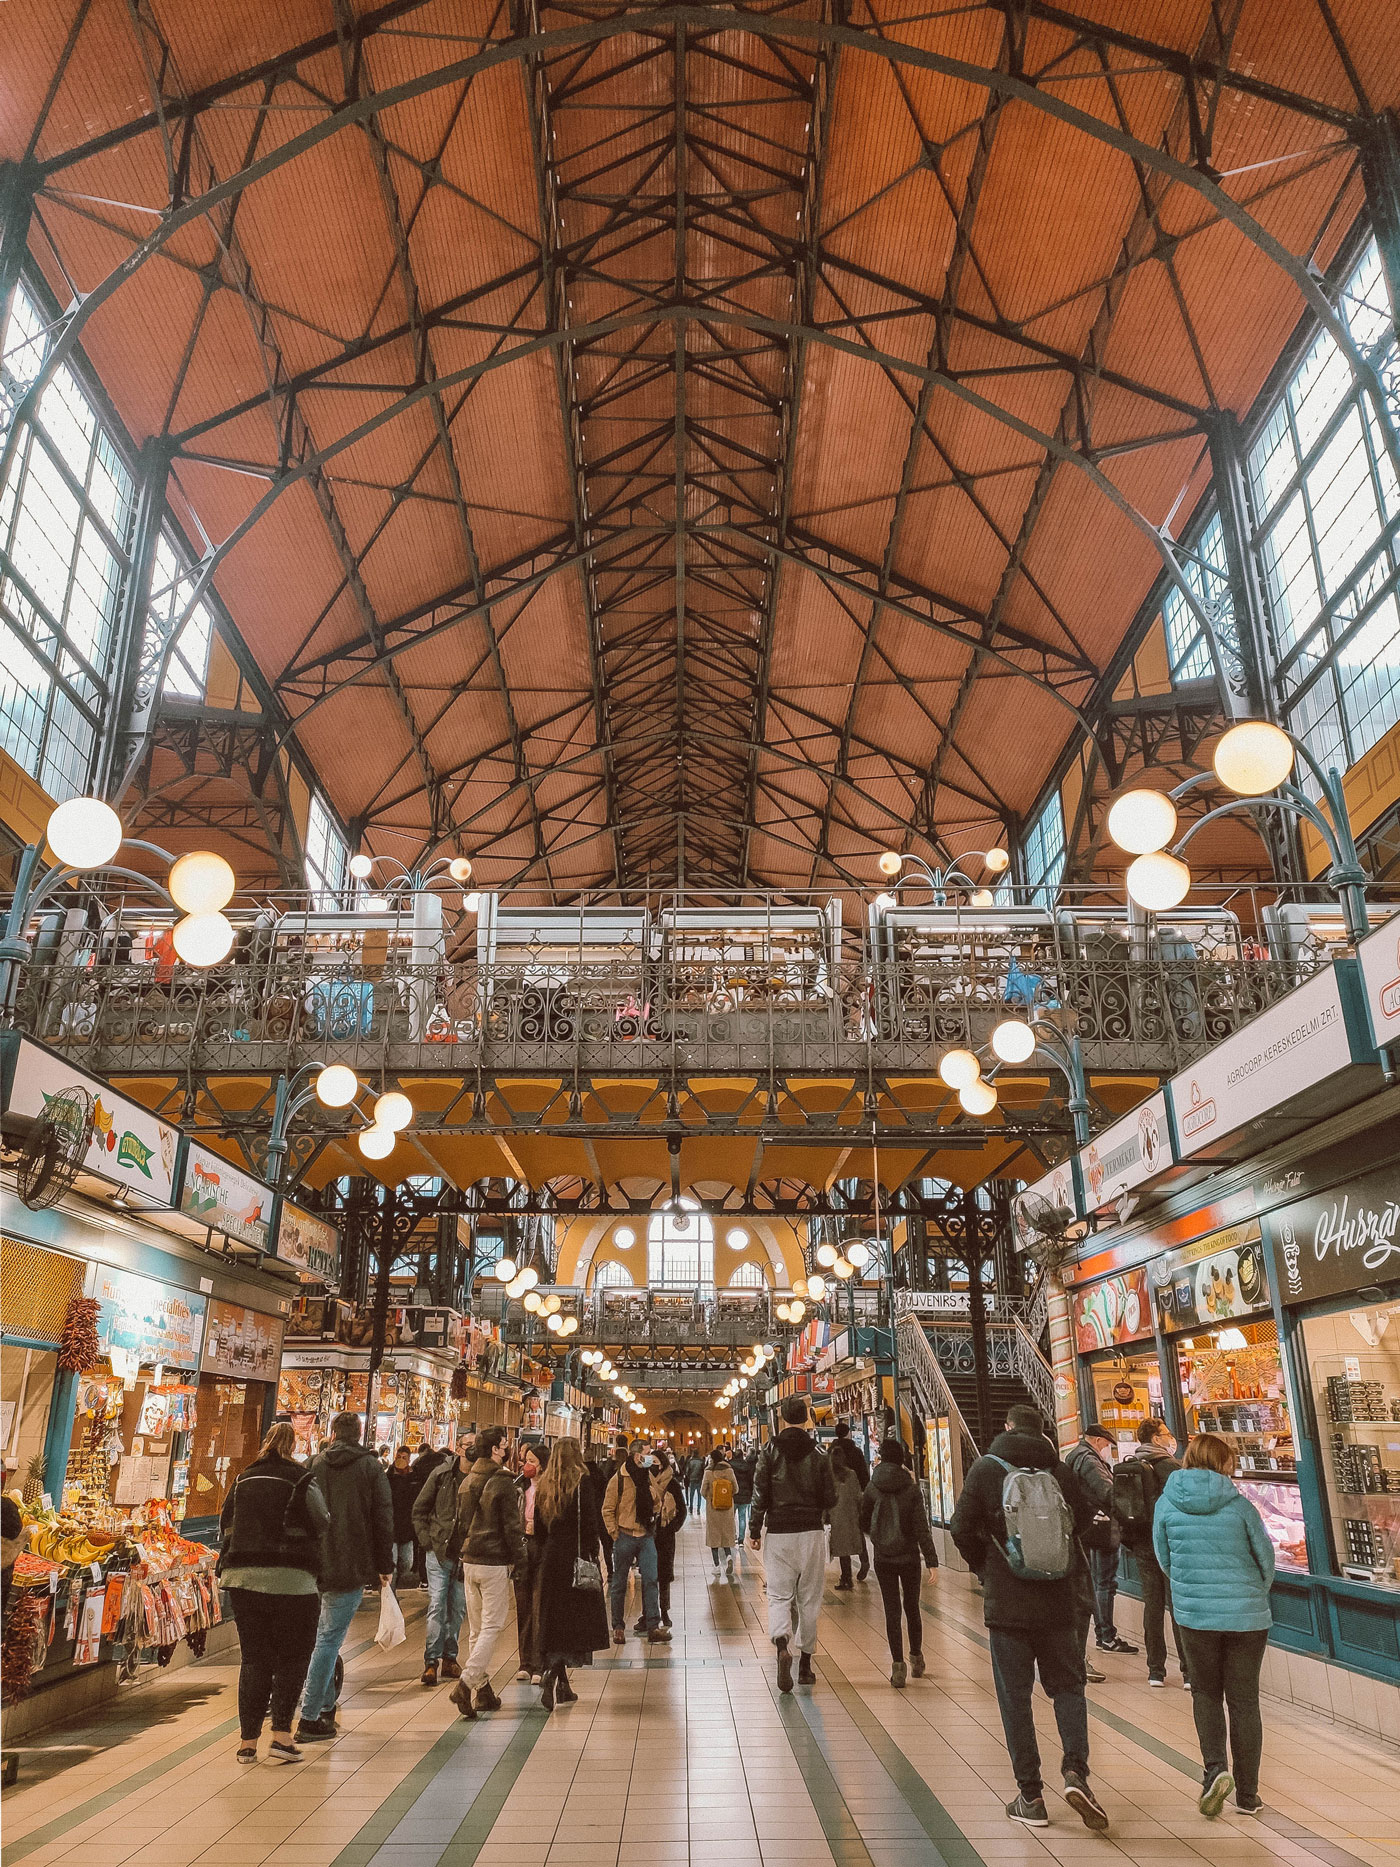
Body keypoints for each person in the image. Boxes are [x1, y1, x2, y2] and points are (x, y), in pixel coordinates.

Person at [950, 1403, 1108, 1833]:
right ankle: (1076, 1772)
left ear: (1006, 1427)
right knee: (1068, 1689)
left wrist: (988, 1568)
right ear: (1043, 1432)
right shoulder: (1060, 1470)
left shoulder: (986, 1470)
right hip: (1060, 1601)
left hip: (1009, 1606)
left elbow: (960, 1527)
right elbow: (1085, 1522)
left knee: (1015, 1698)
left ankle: (1031, 1795)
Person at [1153, 1434, 1275, 1819]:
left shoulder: (1166, 1504)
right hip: (1247, 1618)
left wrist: (1191, 1591)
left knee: (1205, 1694)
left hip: (1195, 1617)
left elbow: (1164, 1560)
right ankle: (1248, 1796)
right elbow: (1266, 1559)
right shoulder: (1239, 1506)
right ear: (1224, 1463)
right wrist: (1252, 1592)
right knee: (1244, 1701)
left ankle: (1215, 1771)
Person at [220, 1422, 329, 1764]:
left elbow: (227, 1523)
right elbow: (322, 1520)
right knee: (293, 1657)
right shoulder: (301, 1478)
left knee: (254, 1659)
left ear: (264, 1443)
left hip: (243, 1580)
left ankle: (247, 1743)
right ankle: (282, 1735)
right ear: (293, 1445)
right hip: (292, 1580)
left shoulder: (242, 1478)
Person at [296, 1412, 393, 1744]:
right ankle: (309, 1716)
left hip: (313, 1566)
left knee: (320, 1637)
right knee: (328, 1641)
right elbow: (383, 1518)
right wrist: (385, 1564)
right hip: (350, 1564)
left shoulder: (313, 1464)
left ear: (333, 1433)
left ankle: (324, 1707)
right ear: (360, 1433)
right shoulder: (370, 1468)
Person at [749, 1395, 837, 1692]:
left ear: (782, 1417)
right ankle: (805, 1666)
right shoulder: (820, 1453)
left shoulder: (769, 1450)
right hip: (811, 1533)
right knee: (809, 1599)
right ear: (807, 1418)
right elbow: (830, 1498)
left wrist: (753, 1530)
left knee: (778, 1596)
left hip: (779, 1532)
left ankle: (782, 1646)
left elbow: (760, 1492)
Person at [450, 1426, 527, 1720]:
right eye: (505, 1444)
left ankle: (483, 1692)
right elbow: (511, 1527)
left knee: (477, 1629)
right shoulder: (502, 1481)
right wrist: (519, 1560)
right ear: (495, 1449)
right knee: (493, 1626)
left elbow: (460, 1523)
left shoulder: (468, 1480)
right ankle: (466, 1684)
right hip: (494, 1561)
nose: (507, 1449)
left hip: (470, 1560)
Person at [534, 1438, 611, 1709]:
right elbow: (591, 1522)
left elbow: (539, 1528)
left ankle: (562, 1686)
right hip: (576, 1559)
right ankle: (552, 1672)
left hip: (551, 1559)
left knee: (554, 1620)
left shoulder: (544, 1484)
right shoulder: (582, 1482)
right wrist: (595, 1554)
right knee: (574, 1622)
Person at [860, 1437, 937, 1686]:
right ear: (902, 1458)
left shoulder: (872, 1487)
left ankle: (897, 1667)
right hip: (910, 1557)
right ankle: (916, 1657)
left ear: (881, 1457)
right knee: (912, 1607)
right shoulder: (911, 1488)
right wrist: (932, 1560)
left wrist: (878, 1535)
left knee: (891, 1611)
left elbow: (863, 1521)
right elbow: (921, 1527)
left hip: (883, 1558)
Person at [1116, 1419, 1188, 1687]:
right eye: (1167, 1434)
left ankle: (1155, 1670)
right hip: (1169, 1545)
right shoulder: (1169, 1466)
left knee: (1153, 1607)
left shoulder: (1132, 1464)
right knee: (1177, 1606)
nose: (1171, 1439)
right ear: (1156, 1439)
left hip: (1143, 1545)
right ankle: (1188, 1671)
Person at [1064, 1424, 1137, 1657]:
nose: (1108, 1449)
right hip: (1102, 1528)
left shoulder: (1074, 1456)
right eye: (1106, 1445)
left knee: (1096, 1582)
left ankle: (1103, 1633)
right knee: (1105, 1582)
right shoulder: (1090, 1460)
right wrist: (1127, 1510)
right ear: (1097, 1441)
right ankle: (1106, 1635)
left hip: (1087, 1528)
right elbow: (1106, 1491)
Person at [602, 1439, 671, 1644]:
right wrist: (615, 1533)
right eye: (647, 1453)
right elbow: (607, 1508)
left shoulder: (647, 1476)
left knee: (651, 1580)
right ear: (636, 1455)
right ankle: (618, 1627)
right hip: (624, 1535)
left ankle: (653, 1626)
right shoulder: (619, 1479)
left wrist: (654, 1514)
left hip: (646, 1536)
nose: (651, 1457)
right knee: (619, 1583)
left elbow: (658, 1501)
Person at [412, 1443, 468, 1687]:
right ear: (459, 1448)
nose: (470, 1451)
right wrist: (427, 1541)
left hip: (465, 1555)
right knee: (437, 1605)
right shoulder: (442, 1474)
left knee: (457, 1608)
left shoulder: (481, 1476)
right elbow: (419, 1509)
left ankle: (450, 1657)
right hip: (438, 1551)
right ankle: (431, 1662)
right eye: (467, 1446)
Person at [513, 1441, 548, 1683]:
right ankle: (525, 1662)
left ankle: (539, 1663)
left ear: (543, 1465)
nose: (527, 1465)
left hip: (543, 1548)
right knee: (523, 1605)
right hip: (522, 1548)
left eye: (532, 1461)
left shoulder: (551, 1488)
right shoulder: (518, 1487)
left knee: (540, 1606)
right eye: (526, 1460)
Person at [648, 1445, 687, 1628]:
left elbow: (682, 1508)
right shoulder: (644, 1482)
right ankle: (647, 1613)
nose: (654, 1466)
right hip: (647, 1535)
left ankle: (664, 1610)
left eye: (656, 1463)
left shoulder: (672, 1483)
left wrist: (673, 1527)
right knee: (648, 1575)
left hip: (665, 1535)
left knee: (663, 1575)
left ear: (663, 1465)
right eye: (651, 1462)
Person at [833, 1421, 871, 1579]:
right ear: (848, 1433)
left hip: (838, 1500)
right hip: (856, 1496)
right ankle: (864, 1561)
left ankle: (846, 1575)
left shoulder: (831, 1452)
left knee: (841, 1536)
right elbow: (863, 1473)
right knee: (857, 1531)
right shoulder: (856, 1452)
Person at [828, 1439, 865, 1589]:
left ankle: (846, 1578)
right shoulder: (851, 1474)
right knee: (849, 1548)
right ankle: (850, 1574)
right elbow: (858, 1495)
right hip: (850, 1516)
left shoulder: (830, 1475)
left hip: (835, 1517)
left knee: (842, 1550)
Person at [702, 1446, 738, 1579]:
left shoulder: (708, 1472)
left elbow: (702, 1490)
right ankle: (728, 1556)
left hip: (713, 1508)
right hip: (728, 1508)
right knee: (726, 1534)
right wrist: (727, 1497)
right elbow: (736, 1488)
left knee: (714, 1537)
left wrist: (710, 1498)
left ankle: (716, 1566)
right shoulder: (729, 1470)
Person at [388, 1447, 420, 1589]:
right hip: (391, 1527)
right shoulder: (388, 1477)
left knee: (406, 1562)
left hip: (407, 1528)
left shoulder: (414, 1478)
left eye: (404, 1457)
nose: (401, 1460)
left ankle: (396, 1583)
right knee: (392, 1563)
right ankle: (391, 1591)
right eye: (399, 1456)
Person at [732, 1442, 756, 1544]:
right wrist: (751, 1493)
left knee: (731, 1517)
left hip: (733, 1495)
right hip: (745, 1495)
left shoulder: (730, 1465)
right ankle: (741, 1539)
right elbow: (751, 1481)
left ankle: (733, 1536)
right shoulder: (747, 1466)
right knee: (742, 1517)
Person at [686, 1449, 706, 1515]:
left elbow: (687, 1471)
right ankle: (698, 1509)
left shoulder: (690, 1461)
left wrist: (689, 1477)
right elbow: (704, 1470)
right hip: (699, 1480)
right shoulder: (701, 1461)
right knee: (699, 1495)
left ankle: (691, 1508)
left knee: (691, 1495)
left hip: (692, 1479)